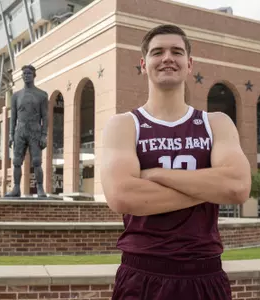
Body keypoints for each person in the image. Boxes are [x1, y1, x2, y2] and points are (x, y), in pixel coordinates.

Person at [100, 24, 251, 299]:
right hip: (141, 273)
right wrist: (209, 186)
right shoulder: (124, 125)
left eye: (177, 52)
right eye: (158, 52)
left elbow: (238, 187)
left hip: (204, 272)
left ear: (189, 64)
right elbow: (122, 196)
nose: (167, 57)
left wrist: (156, 174)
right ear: (143, 64)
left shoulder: (215, 123)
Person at [5, 65, 49, 198]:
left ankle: (40, 188)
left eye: (29, 73)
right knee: (17, 161)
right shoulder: (16, 96)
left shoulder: (42, 95)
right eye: (24, 73)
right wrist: (11, 134)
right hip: (20, 130)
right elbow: (13, 117)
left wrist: (44, 135)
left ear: (34, 75)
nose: (26, 76)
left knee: (36, 161)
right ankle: (16, 188)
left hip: (35, 129)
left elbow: (45, 116)